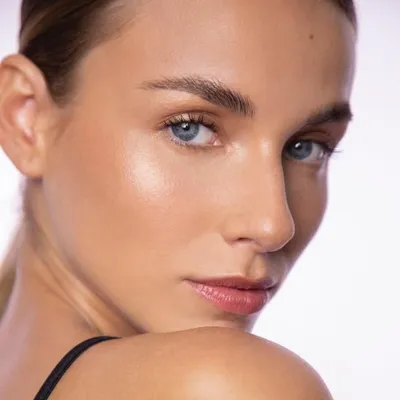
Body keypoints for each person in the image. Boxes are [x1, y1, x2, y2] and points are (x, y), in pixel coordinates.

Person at [0, 0, 357, 398]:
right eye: (190, 129)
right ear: (26, 118)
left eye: (306, 146)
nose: (273, 226)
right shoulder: (225, 385)